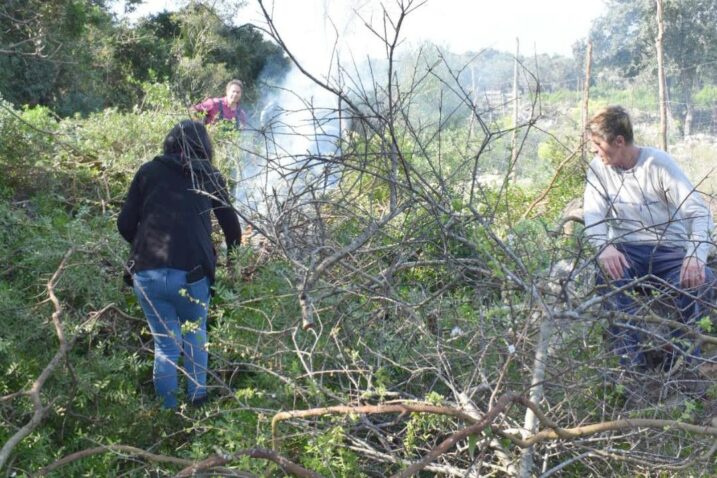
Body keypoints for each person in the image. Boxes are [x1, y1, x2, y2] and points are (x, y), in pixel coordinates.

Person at [118, 120, 241, 408]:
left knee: (166, 346)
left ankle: (169, 413)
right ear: (204, 147)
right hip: (192, 275)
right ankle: (198, 405)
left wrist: (144, 245)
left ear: (169, 143)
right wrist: (232, 261)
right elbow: (233, 231)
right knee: (195, 337)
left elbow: (124, 224)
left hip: (146, 274)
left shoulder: (148, 172)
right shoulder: (209, 176)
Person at [583, 105, 715, 371]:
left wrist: (695, 255)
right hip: (626, 251)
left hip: (669, 251)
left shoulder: (658, 164)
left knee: (703, 281)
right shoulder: (598, 169)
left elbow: (698, 213)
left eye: (598, 144)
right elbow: (593, 215)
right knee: (609, 279)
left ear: (619, 141)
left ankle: (688, 363)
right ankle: (631, 369)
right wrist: (603, 246)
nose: (594, 151)